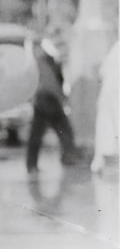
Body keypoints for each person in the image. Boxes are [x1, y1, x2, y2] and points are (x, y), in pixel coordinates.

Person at [25, 39, 82, 173]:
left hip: (41, 98)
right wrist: (61, 98)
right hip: (48, 98)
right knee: (63, 128)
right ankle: (68, 157)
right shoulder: (43, 60)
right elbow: (50, 82)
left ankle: (31, 164)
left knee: (37, 133)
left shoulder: (38, 60)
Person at [91, 39, 118, 174]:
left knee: (106, 129)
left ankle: (101, 162)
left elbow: (101, 72)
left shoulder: (114, 49)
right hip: (114, 94)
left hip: (108, 94)